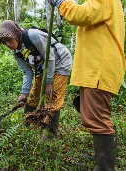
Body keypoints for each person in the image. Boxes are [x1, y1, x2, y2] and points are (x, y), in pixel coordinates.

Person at [47, 0, 125, 170]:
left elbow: (82, 15)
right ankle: (101, 156)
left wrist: (62, 3)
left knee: (97, 118)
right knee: (93, 114)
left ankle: (105, 166)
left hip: (99, 65)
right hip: (97, 65)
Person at [0, 20, 72, 139]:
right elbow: (27, 72)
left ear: (15, 34)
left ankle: (50, 135)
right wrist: (24, 92)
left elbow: (50, 58)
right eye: (4, 42)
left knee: (52, 96)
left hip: (60, 62)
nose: (8, 45)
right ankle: (26, 125)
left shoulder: (33, 36)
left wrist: (48, 83)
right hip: (42, 66)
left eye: (9, 40)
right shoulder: (16, 52)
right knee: (33, 96)